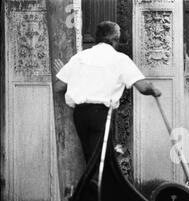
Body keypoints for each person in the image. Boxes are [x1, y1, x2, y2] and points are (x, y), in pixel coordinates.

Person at [54, 21, 161, 165]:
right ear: (115, 40)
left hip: (80, 115)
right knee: (100, 161)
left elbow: (59, 87)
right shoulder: (120, 59)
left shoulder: (79, 57)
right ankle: (96, 187)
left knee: (90, 157)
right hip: (100, 115)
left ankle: (94, 185)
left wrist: (69, 78)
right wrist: (154, 90)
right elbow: (143, 87)